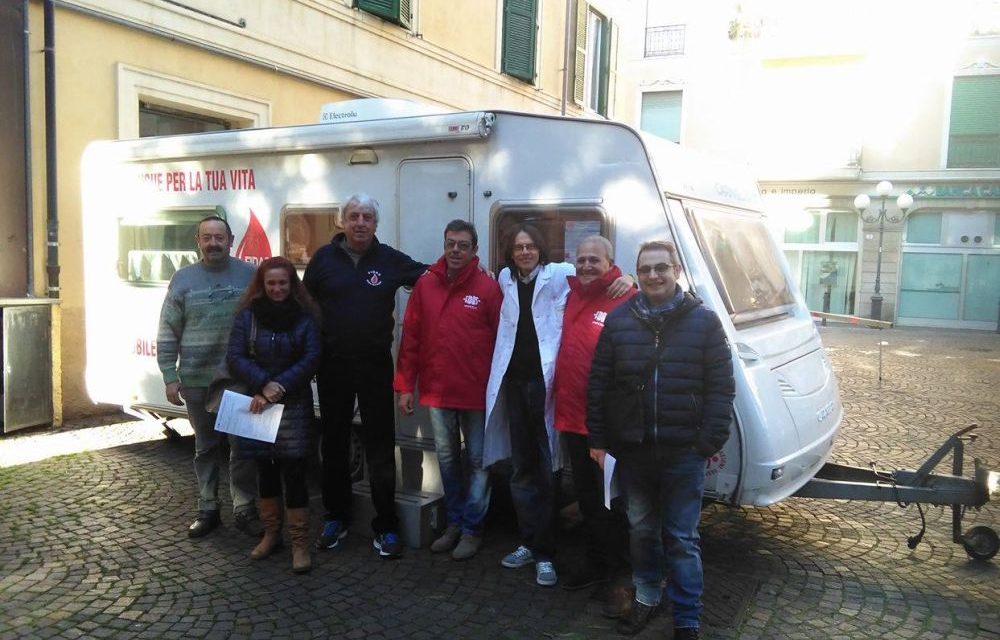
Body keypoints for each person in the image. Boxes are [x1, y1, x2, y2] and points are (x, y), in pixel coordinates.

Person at [586, 240, 735, 639]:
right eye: (646, 269)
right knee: (641, 530)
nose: (654, 275)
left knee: (682, 538)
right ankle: (648, 597)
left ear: (677, 271)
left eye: (661, 268)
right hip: (634, 451)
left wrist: (708, 441)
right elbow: (599, 384)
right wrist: (598, 439)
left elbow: (721, 388)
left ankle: (687, 619)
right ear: (638, 273)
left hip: (684, 452)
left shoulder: (704, 321)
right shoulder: (619, 321)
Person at [484, 224, 631, 587]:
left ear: (541, 249)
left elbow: (604, 275)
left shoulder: (562, 276)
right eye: (518, 246)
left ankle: (549, 553)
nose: (524, 252)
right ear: (510, 252)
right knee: (521, 470)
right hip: (517, 387)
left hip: (548, 391)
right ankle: (529, 542)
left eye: (531, 245)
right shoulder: (505, 278)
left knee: (550, 473)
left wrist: (626, 277)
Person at [303, 194, 427, 559]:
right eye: (354, 216)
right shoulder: (323, 260)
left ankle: (386, 525)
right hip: (333, 365)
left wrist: (470, 271)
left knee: (380, 448)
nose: (360, 222)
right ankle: (335, 518)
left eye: (367, 217)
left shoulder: (389, 259)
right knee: (336, 445)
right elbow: (305, 307)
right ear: (342, 221)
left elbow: (431, 275)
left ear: (376, 223)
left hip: (375, 364)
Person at [393, 220, 502, 560]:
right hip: (438, 391)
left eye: (463, 245)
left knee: (479, 461)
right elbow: (411, 337)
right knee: (448, 459)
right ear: (444, 245)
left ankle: (472, 529)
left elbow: (502, 341)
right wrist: (404, 386)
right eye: (450, 243)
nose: (456, 250)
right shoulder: (426, 285)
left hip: (477, 393)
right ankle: (455, 522)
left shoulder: (488, 288)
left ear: (475, 251)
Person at [157, 215, 260, 539]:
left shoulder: (249, 275)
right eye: (207, 237)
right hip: (197, 378)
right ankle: (208, 508)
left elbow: (265, 320)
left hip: (237, 377)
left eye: (219, 237)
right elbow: (167, 328)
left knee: (242, 446)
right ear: (198, 242)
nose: (213, 243)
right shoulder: (183, 279)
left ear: (230, 240)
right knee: (205, 447)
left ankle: (245, 508)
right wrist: (169, 376)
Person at [552, 235, 635, 614]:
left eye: (594, 261)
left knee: (611, 501)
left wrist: (632, 278)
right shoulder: (571, 295)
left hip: (604, 426)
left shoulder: (626, 297)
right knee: (586, 498)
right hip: (571, 419)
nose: (586, 266)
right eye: (581, 259)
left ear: (610, 263)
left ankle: (621, 575)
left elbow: (670, 301)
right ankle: (597, 563)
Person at [226, 257, 322, 573]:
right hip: (258, 401)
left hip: (293, 404)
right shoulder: (248, 316)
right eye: (271, 283)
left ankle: (299, 543)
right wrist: (263, 384)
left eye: (283, 283)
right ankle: (271, 534)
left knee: (294, 473)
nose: (277, 289)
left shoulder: (305, 317)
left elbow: (312, 357)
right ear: (262, 285)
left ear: (291, 284)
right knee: (264, 471)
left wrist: (280, 385)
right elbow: (235, 357)